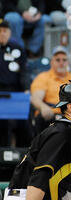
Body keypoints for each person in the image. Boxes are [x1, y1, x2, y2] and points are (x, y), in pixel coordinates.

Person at [30, 46, 71, 134]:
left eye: (64, 60)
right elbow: (36, 98)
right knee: (42, 117)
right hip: (50, 114)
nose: (61, 63)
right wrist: (43, 107)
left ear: (68, 62)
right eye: (58, 60)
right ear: (52, 62)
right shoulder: (43, 77)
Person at [0, 18, 32, 148]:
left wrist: (26, 88)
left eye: (5, 31)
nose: (2, 34)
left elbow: (24, 70)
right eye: (0, 31)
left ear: (10, 33)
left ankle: (23, 155)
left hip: (15, 93)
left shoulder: (17, 48)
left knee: (24, 123)